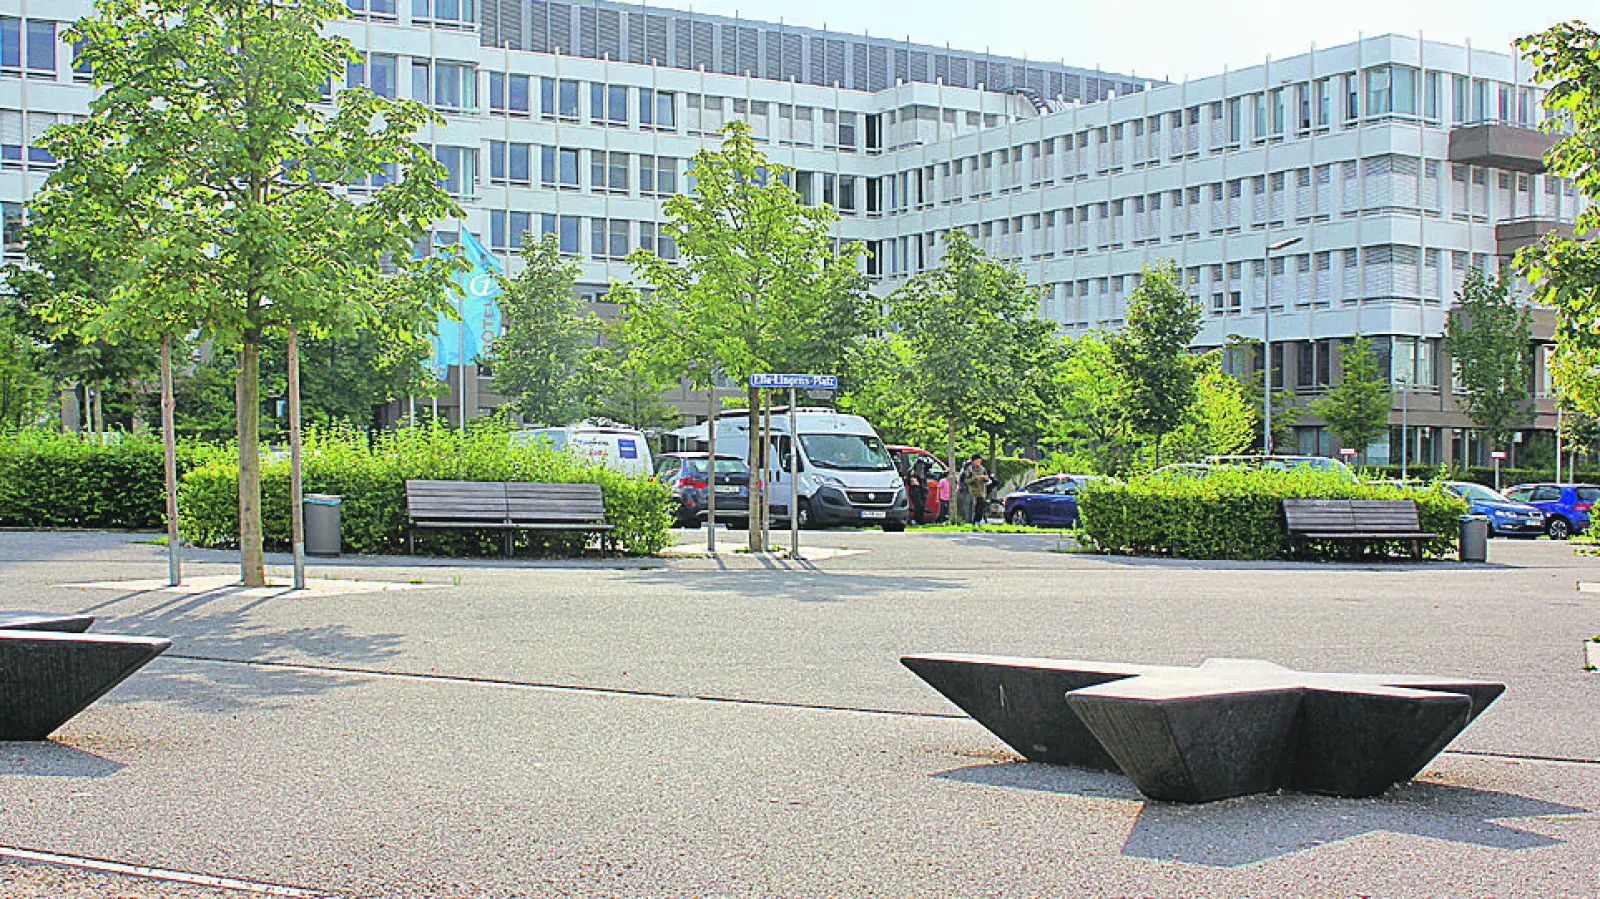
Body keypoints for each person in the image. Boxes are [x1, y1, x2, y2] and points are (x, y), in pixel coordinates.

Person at [959, 454, 991, 524]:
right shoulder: (969, 469)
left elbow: (987, 479)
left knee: (980, 506)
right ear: (973, 461)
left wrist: (985, 478)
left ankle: (977, 521)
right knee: (980, 504)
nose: (979, 462)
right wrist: (975, 478)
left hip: (981, 490)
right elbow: (966, 480)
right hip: (972, 490)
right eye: (977, 461)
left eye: (980, 461)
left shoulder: (982, 469)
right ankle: (975, 521)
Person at [907, 456, 930, 524]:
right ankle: (916, 520)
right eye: (921, 464)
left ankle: (920, 520)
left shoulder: (923, 470)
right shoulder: (913, 471)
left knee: (922, 506)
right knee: (918, 506)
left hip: (923, 491)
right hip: (916, 491)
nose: (922, 465)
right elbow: (910, 481)